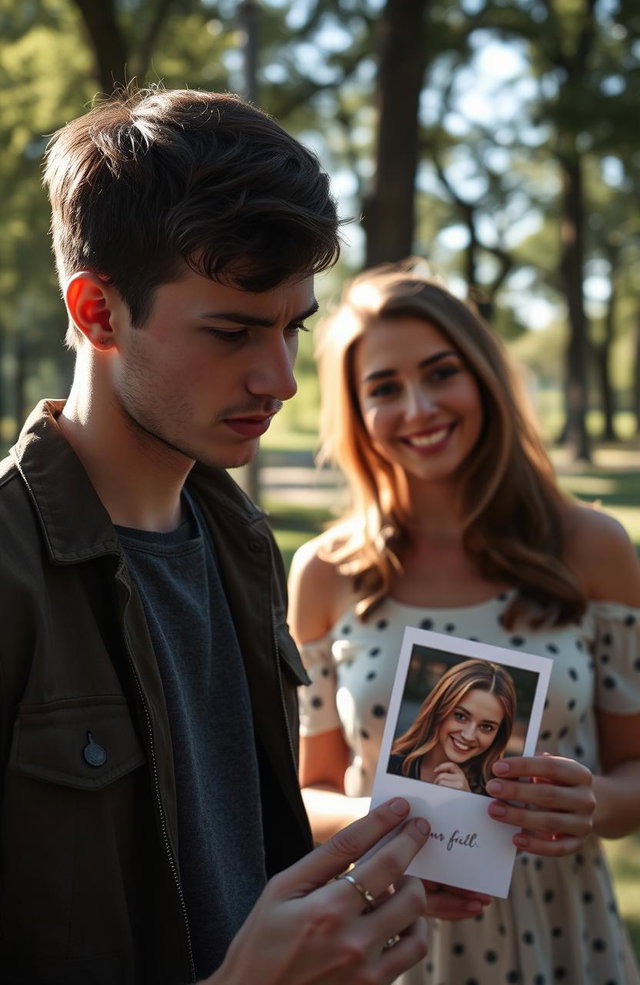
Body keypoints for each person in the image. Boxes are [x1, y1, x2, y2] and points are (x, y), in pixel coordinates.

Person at [0, 89, 431, 985]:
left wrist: (382, 850)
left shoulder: (241, 541)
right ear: (97, 312)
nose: (281, 379)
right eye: (233, 330)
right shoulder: (11, 572)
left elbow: (224, 837)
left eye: (291, 329)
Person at [288, 259, 640, 984]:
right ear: (356, 412)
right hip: (388, 938)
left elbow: (634, 774)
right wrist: (394, 821)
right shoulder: (325, 572)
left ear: (482, 375)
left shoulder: (595, 547)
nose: (417, 406)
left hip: (563, 936)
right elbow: (307, 792)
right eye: (384, 388)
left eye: (440, 372)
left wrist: (593, 799)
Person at [388, 659, 516, 795]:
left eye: (486, 727)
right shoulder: (389, 766)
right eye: (461, 716)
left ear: (499, 734)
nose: (469, 736)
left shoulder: (498, 794)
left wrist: (465, 801)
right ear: (438, 710)